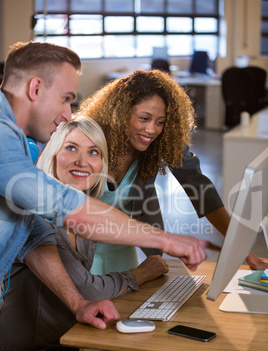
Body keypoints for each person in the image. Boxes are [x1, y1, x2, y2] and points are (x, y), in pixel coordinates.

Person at [0, 41, 212, 330]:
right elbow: (66, 207)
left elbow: (34, 237)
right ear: (35, 88)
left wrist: (77, 302)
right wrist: (166, 240)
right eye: (65, 98)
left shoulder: (17, 142)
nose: (66, 114)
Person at [0, 115, 173, 351]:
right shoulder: (36, 211)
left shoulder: (82, 217)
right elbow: (86, 290)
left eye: (93, 152)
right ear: (52, 155)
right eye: (71, 148)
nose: (83, 161)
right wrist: (140, 274)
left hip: (62, 342)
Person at [78, 68, 268, 275]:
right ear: (120, 113)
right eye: (144, 118)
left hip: (122, 254)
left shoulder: (157, 143)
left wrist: (244, 252)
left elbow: (201, 189)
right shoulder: (85, 142)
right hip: (78, 254)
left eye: (160, 122)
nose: (152, 130)